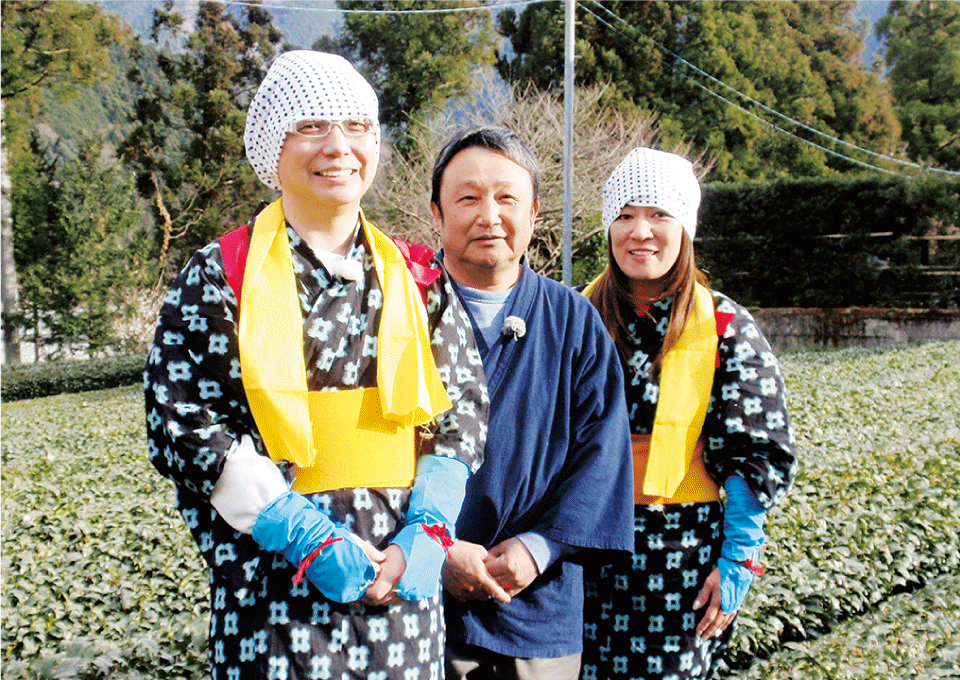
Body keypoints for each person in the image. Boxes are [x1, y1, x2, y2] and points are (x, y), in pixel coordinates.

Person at [143, 50, 488, 680]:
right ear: (271, 149)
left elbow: (460, 408)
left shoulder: (418, 276)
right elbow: (187, 424)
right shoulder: (220, 276)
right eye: (310, 127)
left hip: (400, 591)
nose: (338, 147)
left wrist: (430, 529)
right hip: (274, 595)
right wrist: (303, 534)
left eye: (357, 127)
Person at [579, 147, 797, 680]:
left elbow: (752, 450)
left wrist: (739, 558)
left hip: (684, 558)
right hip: (583, 550)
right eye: (625, 216)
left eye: (658, 215)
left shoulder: (725, 324)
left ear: (686, 228)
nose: (640, 232)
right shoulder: (576, 314)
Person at [429, 127, 635, 680]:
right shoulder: (398, 310)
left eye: (507, 198)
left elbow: (603, 452)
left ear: (535, 213)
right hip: (420, 597)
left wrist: (540, 548)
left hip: (539, 604)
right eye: (468, 198)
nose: (488, 215)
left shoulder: (573, 320)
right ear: (436, 212)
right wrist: (435, 547)